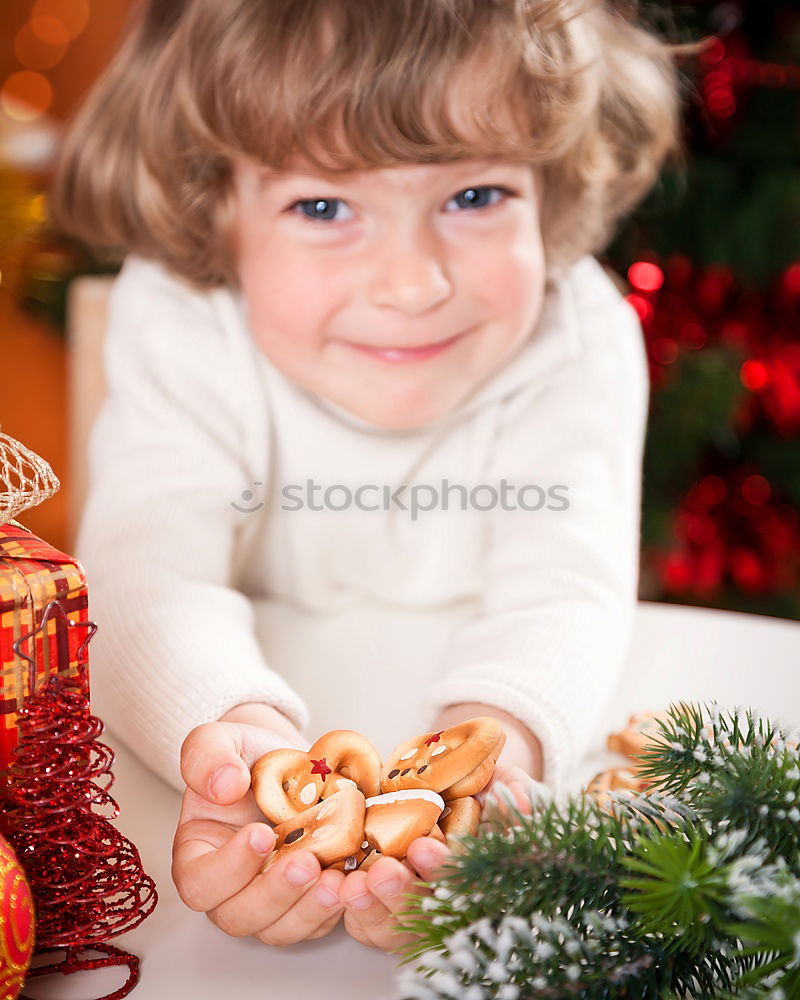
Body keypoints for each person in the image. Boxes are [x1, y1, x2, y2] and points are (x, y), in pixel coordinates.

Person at [49, 0, 699, 956]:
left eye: (476, 196)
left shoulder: (575, 334)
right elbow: (149, 568)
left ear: (551, 181)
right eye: (323, 206)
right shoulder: (185, 317)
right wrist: (232, 739)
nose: (412, 283)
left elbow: (564, 582)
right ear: (213, 203)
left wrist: (493, 766)